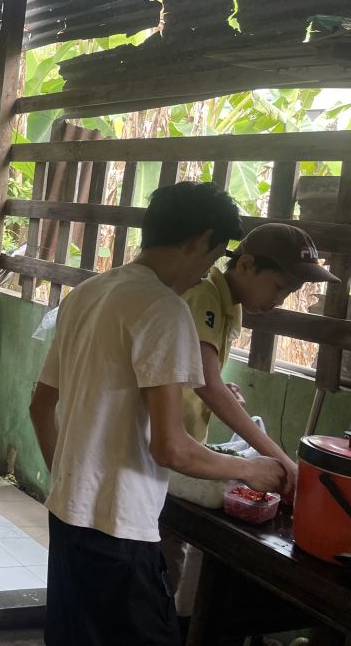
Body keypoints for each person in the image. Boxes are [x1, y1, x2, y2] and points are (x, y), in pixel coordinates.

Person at [28, 181, 286, 646]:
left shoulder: (88, 293)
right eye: (213, 258)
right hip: (120, 527)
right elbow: (170, 448)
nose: (207, 273)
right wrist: (252, 469)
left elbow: (40, 407)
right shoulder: (165, 310)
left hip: (67, 516)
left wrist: (70, 482)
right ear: (198, 240)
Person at [163, 222, 339, 619]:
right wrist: (283, 461)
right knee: (160, 569)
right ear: (245, 264)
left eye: (288, 293)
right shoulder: (205, 294)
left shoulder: (230, 306)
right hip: (164, 451)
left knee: (166, 565)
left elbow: (198, 374)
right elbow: (207, 384)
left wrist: (221, 389)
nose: (280, 300)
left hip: (182, 450)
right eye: (278, 287)